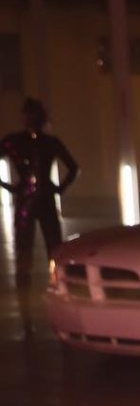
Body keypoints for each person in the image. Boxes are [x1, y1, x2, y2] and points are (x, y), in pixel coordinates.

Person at [1, 97, 78, 337]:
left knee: (40, 251)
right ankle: (45, 306)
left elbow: (73, 168)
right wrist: (58, 188)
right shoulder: (42, 142)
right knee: (47, 250)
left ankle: (34, 313)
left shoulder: (18, 141)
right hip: (40, 200)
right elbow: (73, 168)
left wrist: (12, 187)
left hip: (31, 201)